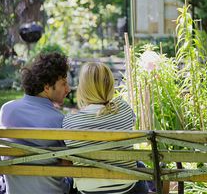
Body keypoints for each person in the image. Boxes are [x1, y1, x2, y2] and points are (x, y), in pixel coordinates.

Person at [62, 62, 149, 194]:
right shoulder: (123, 108)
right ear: (110, 85)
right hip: (128, 188)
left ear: (83, 88)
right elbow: (131, 121)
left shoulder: (70, 121)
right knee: (140, 167)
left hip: (88, 190)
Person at [0, 51, 71, 194]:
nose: (68, 89)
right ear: (46, 87)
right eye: (63, 84)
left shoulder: (6, 110)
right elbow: (69, 163)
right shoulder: (58, 120)